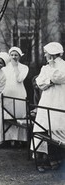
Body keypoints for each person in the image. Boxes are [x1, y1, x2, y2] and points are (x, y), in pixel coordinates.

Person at [32, 42, 65, 172]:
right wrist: (49, 81)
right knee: (44, 127)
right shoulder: (45, 68)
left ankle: (58, 159)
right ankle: (46, 159)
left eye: (46, 52)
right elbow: (39, 82)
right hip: (47, 100)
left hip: (60, 99)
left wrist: (51, 78)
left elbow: (60, 77)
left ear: (52, 53)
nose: (45, 55)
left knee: (57, 127)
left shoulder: (62, 66)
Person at [0, 47, 29, 148]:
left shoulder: (24, 67)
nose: (13, 57)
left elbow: (20, 79)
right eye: (12, 55)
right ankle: (6, 140)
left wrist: (16, 67)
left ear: (20, 56)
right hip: (7, 94)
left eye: (16, 55)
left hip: (19, 94)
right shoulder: (5, 67)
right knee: (6, 116)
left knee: (19, 117)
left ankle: (20, 140)